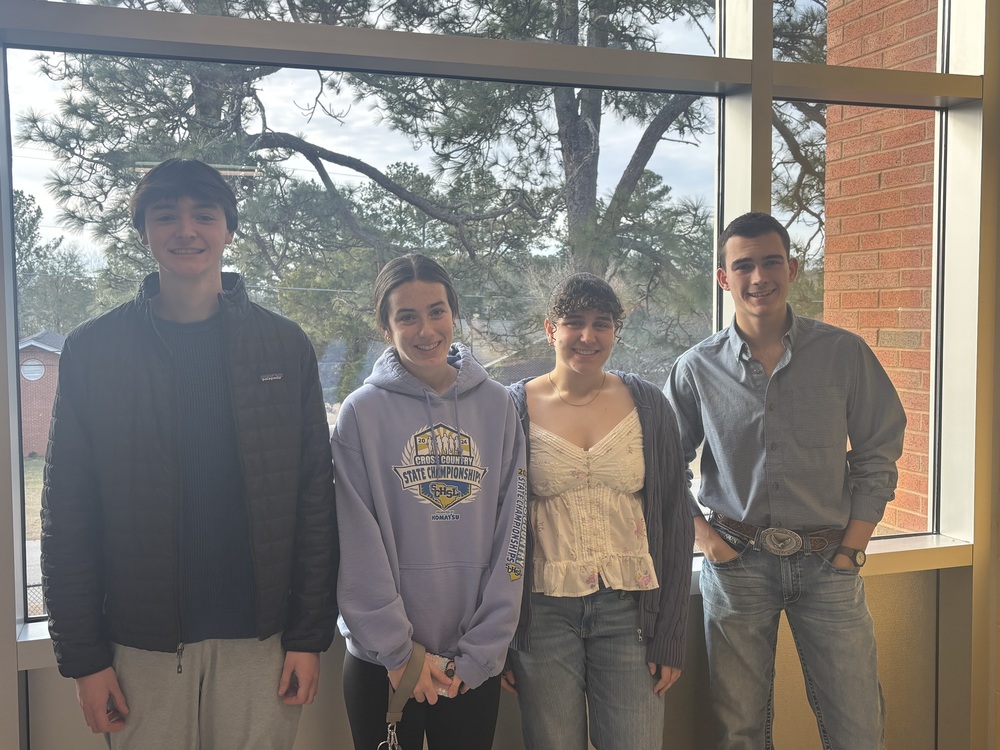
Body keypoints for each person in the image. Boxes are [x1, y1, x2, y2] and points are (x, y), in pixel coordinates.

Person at [40, 158, 338, 749]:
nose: (186, 230)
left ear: (229, 229)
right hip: (138, 644)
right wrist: (84, 659)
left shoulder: (283, 345)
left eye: (204, 215)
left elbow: (313, 502)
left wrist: (307, 636)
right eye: (165, 216)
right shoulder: (94, 350)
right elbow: (66, 513)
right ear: (144, 232)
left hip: (264, 643)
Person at [664, 212, 906, 749]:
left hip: (829, 564)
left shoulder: (845, 354)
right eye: (743, 265)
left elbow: (878, 451)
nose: (759, 277)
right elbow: (662, 468)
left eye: (771, 261)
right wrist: (708, 543)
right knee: (741, 731)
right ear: (724, 278)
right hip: (737, 566)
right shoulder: (695, 368)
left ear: (792, 268)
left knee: (858, 726)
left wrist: (850, 552)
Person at [330, 253, 528, 750]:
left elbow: (514, 531)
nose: (426, 329)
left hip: (470, 663)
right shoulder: (361, 412)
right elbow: (355, 544)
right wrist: (401, 655)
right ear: (384, 326)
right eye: (407, 316)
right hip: (385, 663)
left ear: (454, 314)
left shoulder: (498, 406)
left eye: (437, 311)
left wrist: (483, 650)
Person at [504, 273, 694, 750]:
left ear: (615, 332)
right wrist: (502, 637)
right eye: (574, 323)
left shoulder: (648, 403)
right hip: (542, 615)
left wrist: (670, 634)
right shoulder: (511, 408)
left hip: (630, 611)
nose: (587, 336)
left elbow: (673, 518)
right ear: (551, 329)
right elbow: (495, 531)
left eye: (601, 324)